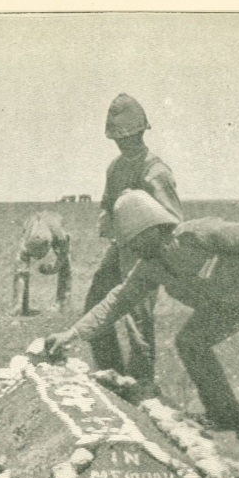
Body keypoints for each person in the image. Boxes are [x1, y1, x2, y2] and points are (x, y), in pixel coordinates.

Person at [47, 190, 239, 456]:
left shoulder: (198, 234)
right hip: (225, 307)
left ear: (152, 229)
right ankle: (225, 415)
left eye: (136, 240)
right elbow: (117, 302)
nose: (134, 248)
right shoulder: (150, 266)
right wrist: (71, 334)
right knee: (190, 342)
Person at [83, 93, 183, 402]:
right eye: (118, 139)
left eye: (129, 137)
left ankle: (142, 382)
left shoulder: (156, 171)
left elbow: (174, 220)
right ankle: (112, 375)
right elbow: (108, 204)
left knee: (137, 317)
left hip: (148, 251)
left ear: (141, 132)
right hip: (121, 247)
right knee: (95, 303)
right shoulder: (115, 168)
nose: (124, 144)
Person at [11, 211, 72, 316]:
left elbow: (63, 254)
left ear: (49, 244)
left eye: (39, 255)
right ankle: (20, 307)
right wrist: (17, 306)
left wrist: (54, 268)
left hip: (54, 227)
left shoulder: (59, 235)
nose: (37, 258)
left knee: (65, 265)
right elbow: (20, 271)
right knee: (21, 270)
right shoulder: (25, 239)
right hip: (31, 229)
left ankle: (62, 305)